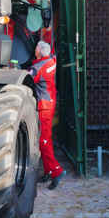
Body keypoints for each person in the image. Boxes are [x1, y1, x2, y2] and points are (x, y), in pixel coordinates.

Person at [29, 41, 64, 189]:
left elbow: (29, 78)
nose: (34, 49)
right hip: (49, 102)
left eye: (36, 48)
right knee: (44, 140)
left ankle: (57, 171)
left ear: (39, 52)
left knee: (44, 142)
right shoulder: (51, 61)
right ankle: (48, 171)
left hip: (44, 106)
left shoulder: (38, 68)